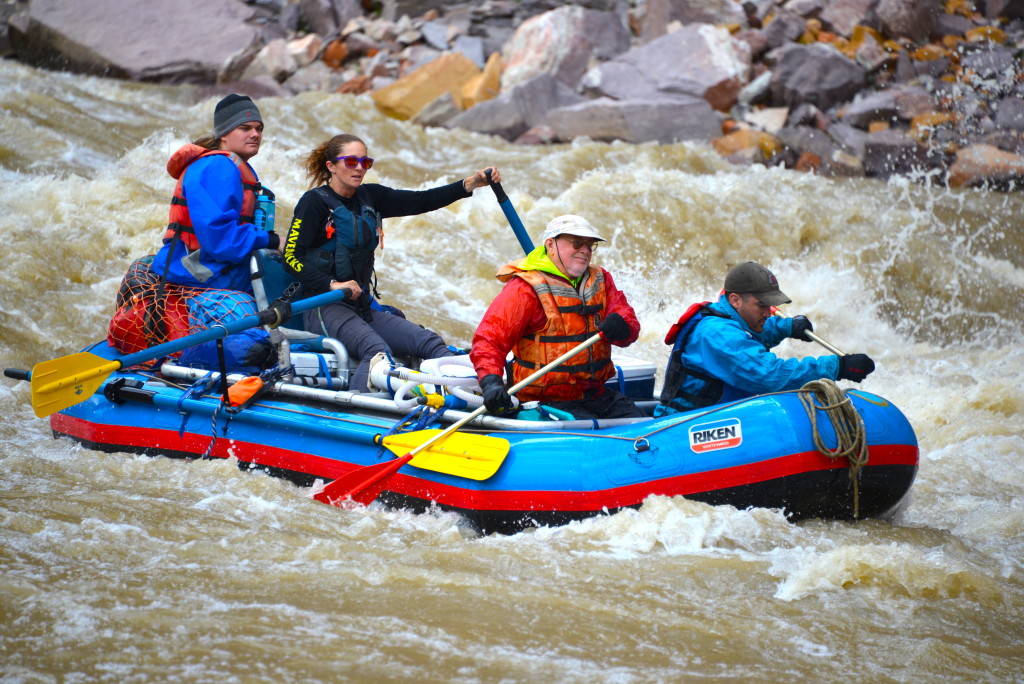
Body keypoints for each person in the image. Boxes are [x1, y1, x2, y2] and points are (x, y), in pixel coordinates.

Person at [284, 133, 501, 393]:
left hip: (360, 306)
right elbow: (290, 257)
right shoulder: (314, 203)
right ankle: (358, 420)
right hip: (323, 308)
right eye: (351, 161)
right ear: (331, 166)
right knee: (375, 351)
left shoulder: (370, 196)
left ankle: (459, 399)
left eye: (365, 162)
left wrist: (470, 184)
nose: (359, 168)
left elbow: (423, 200)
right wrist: (331, 284)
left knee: (430, 343)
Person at [470, 215, 645, 420]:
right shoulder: (524, 289)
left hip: (596, 396)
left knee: (651, 431)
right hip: (543, 401)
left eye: (590, 245)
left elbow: (628, 322)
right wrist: (491, 382)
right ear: (551, 245)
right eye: (577, 243)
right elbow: (489, 340)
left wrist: (622, 325)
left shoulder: (601, 279)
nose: (585, 250)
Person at [656, 261, 876, 415]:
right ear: (735, 300)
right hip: (684, 425)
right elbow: (768, 375)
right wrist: (836, 366)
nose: (768, 312)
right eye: (761, 305)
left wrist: (787, 327)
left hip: (713, 417)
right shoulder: (716, 334)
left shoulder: (729, 318)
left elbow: (753, 331)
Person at [153, 94, 281, 293]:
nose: (255, 134)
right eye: (245, 128)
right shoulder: (217, 166)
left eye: (259, 128)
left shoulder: (223, 164)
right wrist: (273, 241)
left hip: (206, 266)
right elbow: (220, 239)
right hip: (201, 272)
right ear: (223, 134)